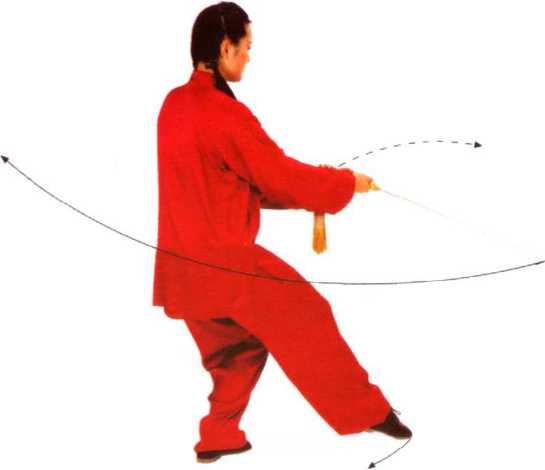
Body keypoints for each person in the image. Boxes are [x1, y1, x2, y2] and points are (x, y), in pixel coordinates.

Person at [152, 1, 412, 463]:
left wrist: (323, 185)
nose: (249, 56)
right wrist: (342, 184)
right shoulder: (223, 113)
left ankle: (218, 436)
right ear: (225, 47)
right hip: (228, 266)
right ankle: (367, 413)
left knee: (235, 352)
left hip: (181, 272)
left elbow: (238, 182)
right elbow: (277, 177)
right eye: (246, 47)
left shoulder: (173, 105)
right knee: (309, 316)